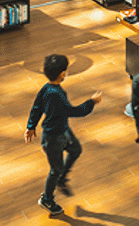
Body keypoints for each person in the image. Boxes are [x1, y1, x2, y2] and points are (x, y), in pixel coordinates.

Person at [24, 53, 103, 215]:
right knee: (55, 169)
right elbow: (74, 111)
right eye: (66, 70)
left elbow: (37, 106)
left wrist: (31, 126)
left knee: (76, 150)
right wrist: (91, 102)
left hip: (62, 130)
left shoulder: (46, 89)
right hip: (53, 137)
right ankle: (46, 199)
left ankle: (61, 178)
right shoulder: (57, 95)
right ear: (62, 74)